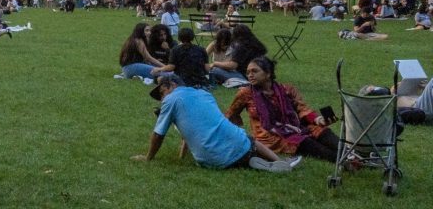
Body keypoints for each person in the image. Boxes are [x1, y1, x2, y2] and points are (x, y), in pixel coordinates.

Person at [132, 73, 298, 172]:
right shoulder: (205, 94)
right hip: (240, 145)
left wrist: (148, 158)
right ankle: (276, 161)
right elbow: (196, 129)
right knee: (250, 140)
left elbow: (158, 134)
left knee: (240, 144)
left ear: (172, 85)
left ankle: (264, 162)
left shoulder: (171, 99)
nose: (162, 99)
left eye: (162, 92)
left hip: (211, 160)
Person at [224, 56, 338, 162]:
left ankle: (350, 153)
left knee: (323, 132)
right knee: (306, 143)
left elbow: (302, 109)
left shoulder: (287, 89)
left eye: (254, 71)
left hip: (295, 127)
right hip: (271, 136)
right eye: (248, 72)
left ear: (268, 74)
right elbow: (230, 114)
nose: (250, 75)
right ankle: (346, 160)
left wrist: (319, 120)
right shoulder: (246, 93)